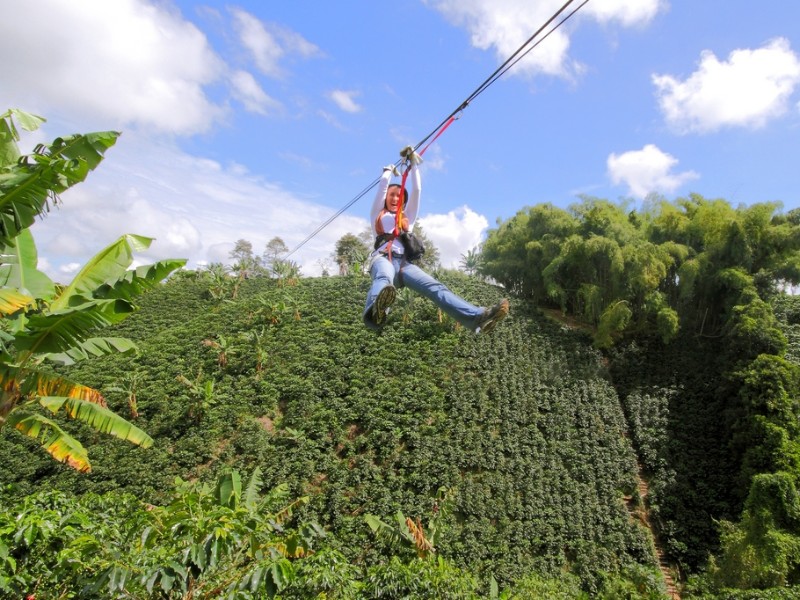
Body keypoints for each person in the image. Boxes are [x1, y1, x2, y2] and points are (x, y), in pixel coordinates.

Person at [363, 146, 509, 333]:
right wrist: (387, 173)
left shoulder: (407, 218)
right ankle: (376, 311)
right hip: (383, 258)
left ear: (404, 203)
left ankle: (478, 318)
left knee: (435, 288)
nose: (395, 198)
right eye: (392, 195)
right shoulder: (377, 214)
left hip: (404, 266)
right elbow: (382, 190)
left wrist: (414, 164)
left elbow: (417, 190)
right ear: (386, 198)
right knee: (384, 276)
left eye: (399, 196)